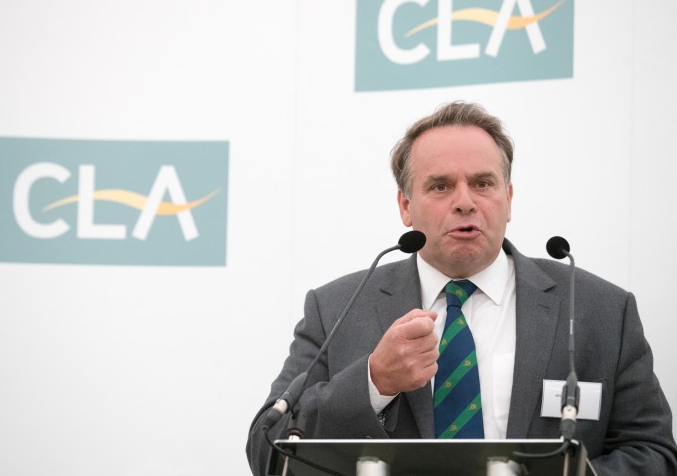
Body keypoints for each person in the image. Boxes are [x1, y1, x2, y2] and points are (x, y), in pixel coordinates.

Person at [246, 101, 677, 476]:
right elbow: (267, 450)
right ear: (405, 206)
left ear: (508, 198)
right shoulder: (338, 308)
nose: (465, 202)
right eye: (441, 186)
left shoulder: (600, 310)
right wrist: (375, 380)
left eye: (483, 183)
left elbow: (652, 453)